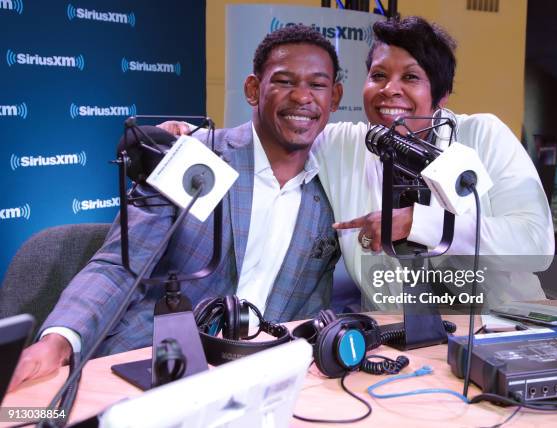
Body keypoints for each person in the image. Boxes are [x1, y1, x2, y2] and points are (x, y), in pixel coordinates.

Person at [8, 25, 343, 392]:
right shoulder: (197, 157)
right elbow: (121, 264)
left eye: (317, 84)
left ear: (335, 96)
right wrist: (58, 342)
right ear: (252, 89)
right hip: (153, 368)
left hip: (261, 383)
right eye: (284, 81)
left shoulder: (332, 190)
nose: (302, 97)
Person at [165, 16, 554, 308]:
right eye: (378, 74)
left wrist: (418, 225)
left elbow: (537, 244)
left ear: (441, 95)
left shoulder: (481, 135)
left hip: (502, 326)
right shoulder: (343, 143)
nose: (390, 90)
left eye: (411, 77)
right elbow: (268, 135)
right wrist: (191, 136)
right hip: (393, 342)